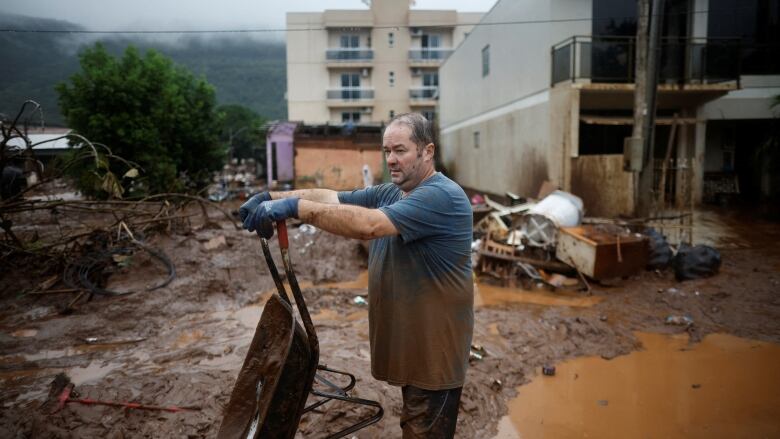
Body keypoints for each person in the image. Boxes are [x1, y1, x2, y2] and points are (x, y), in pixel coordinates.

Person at [239, 113, 473, 438]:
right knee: (414, 423)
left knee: (423, 430)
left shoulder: (441, 196)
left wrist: (295, 210)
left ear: (427, 151)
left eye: (400, 150)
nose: (391, 159)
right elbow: (330, 197)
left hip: (435, 353)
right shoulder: (393, 193)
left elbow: (369, 226)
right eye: (386, 150)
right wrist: (271, 197)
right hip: (414, 346)